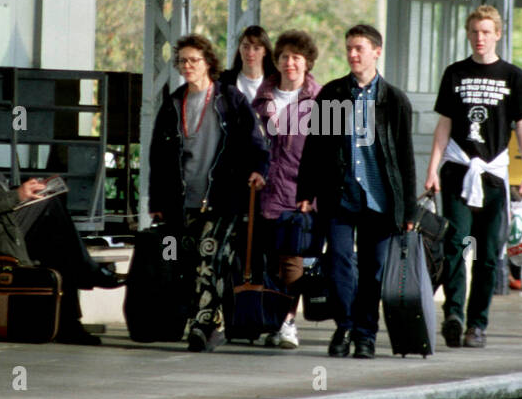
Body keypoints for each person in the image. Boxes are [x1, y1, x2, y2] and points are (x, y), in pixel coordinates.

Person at [0, 89, 124, 347]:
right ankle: (86, 280)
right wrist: (17, 196)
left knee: (54, 223)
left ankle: (70, 318)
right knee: (52, 214)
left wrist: (27, 192)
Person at [294, 24, 418, 360]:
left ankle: (366, 335)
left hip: (380, 199)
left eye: (359, 48)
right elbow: (315, 148)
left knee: (373, 271)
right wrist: (305, 190)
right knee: (337, 264)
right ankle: (344, 325)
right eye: (349, 48)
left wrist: (409, 210)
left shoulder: (394, 101)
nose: (352, 54)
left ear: (376, 52)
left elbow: (404, 158)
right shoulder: (333, 94)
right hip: (340, 196)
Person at [425, 5, 522, 349]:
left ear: (498, 34)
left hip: (493, 173)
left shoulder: (512, 76)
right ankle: (454, 315)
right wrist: (432, 167)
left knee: (489, 254)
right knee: (456, 245)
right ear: (468, 34)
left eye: (486, 31)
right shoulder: (455, 73)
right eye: (474, 31)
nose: (479, 38)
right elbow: (444, 123)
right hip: (459, 168)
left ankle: (478, 323)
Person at [149, 33, 270, 352]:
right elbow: (157, 158)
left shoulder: (230, 99)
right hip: (181, 200)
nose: (187, 66)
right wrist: (156, 200)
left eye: (194, 60)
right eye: (183, 61)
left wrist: (259, 169)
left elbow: (257, 143)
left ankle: (203, 325)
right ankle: (202, 317)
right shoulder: (173, 103)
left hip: (222, 197)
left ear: (208, 63)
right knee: (183, 260)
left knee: (209, 255)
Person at [250, 30, 321, 350]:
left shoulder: (321, 100)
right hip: (264, 192)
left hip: (299, 194)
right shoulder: (262, 98)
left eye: (296, 57)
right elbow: (249, 145)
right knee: (269, 262)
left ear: (307, 62)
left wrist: (314, 194)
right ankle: (271, 320)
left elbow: (328, 154)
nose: (289, 63)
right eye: (283, 57)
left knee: (292, 261)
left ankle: (288, 322)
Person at [219, 25, 278, 103]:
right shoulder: (224, 80)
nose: (250, 53)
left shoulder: (277, 83)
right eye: (246, 47)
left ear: (265, 51)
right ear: (239, 48)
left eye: (256, 48)